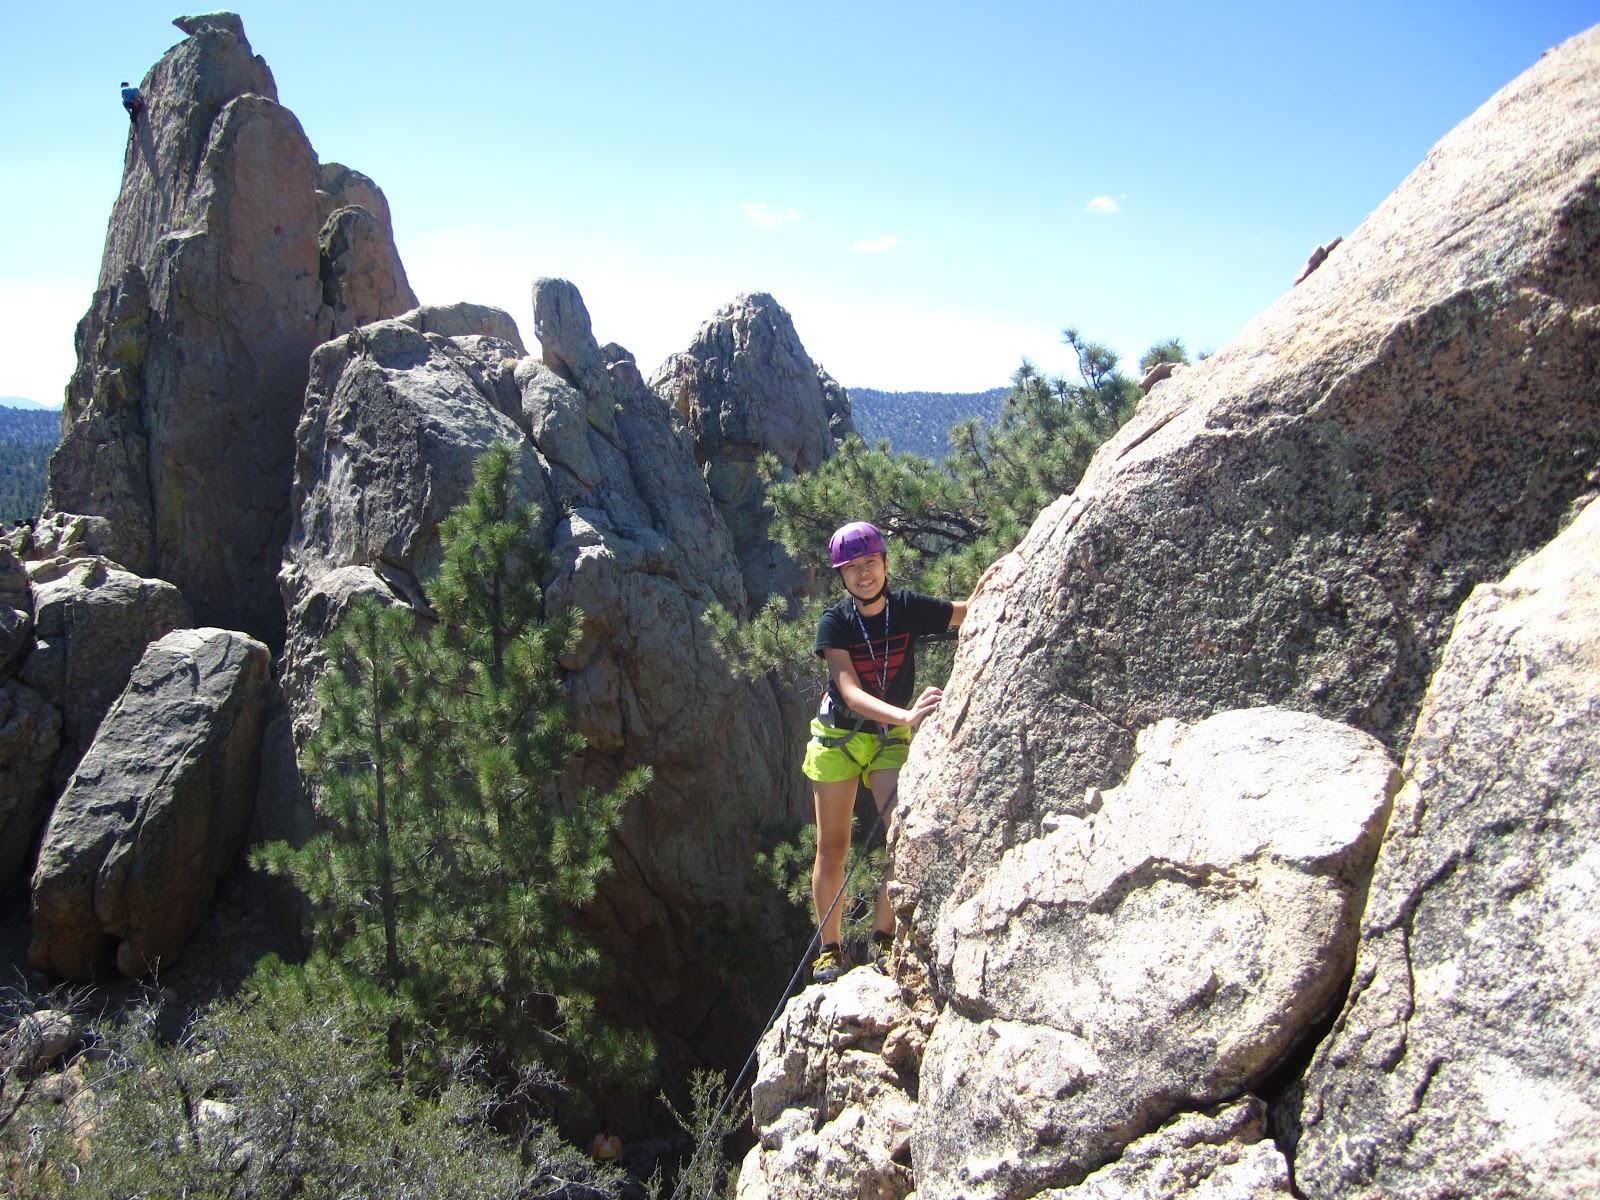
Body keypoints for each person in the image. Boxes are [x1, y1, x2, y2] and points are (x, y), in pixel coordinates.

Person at [803, 521, 1002, 982]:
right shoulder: (835, 623)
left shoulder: (907, 608)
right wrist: (906, 716)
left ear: (886, 564)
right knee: (832, 848)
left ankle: (883, 936)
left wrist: (994, 580)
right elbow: (850, 691)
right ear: (841, 575)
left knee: (901, 833)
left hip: (888, 738)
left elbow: (968, 611)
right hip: (840, 736)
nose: (863, 574)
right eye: (852, 567)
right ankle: (829, 950)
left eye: (871, 563)